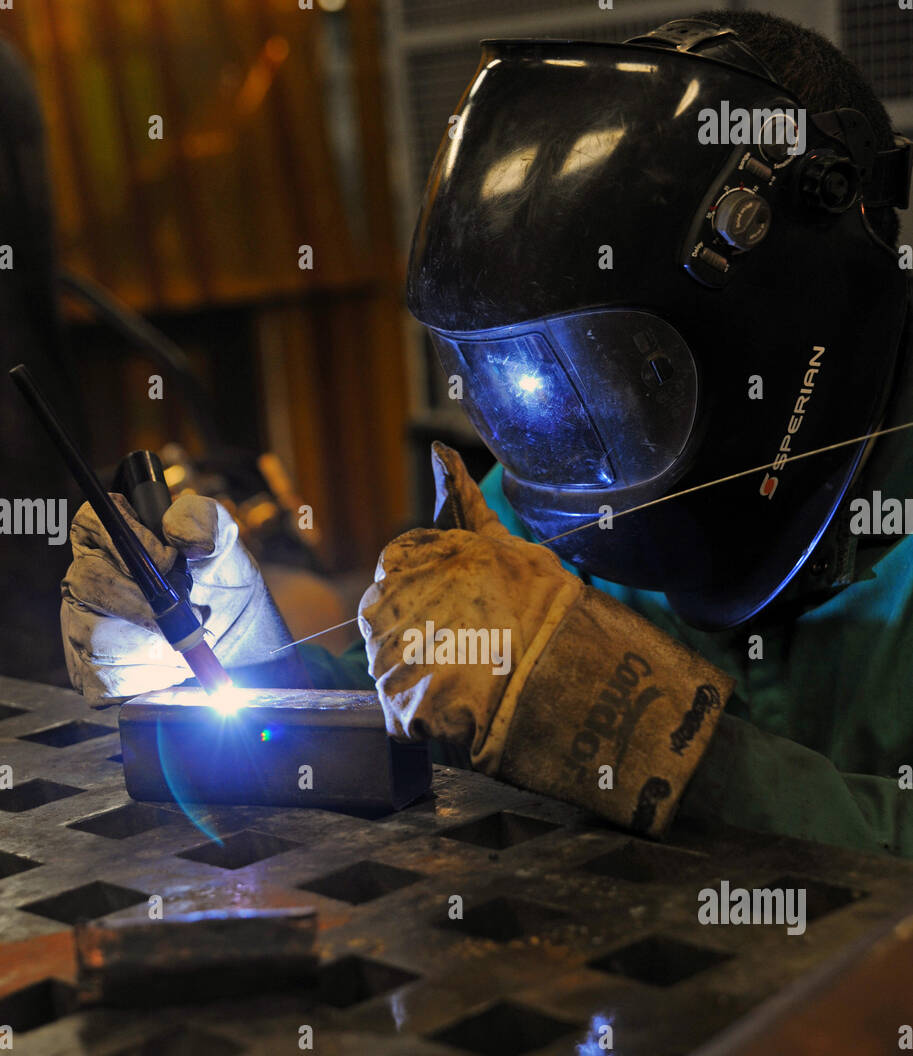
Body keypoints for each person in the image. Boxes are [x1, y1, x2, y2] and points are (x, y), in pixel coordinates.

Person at [61, 12, 913, 857]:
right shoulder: (551, 499)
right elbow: (396, 706)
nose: (574, 438)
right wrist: (249, 659)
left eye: (627, 375)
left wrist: (675, 754)